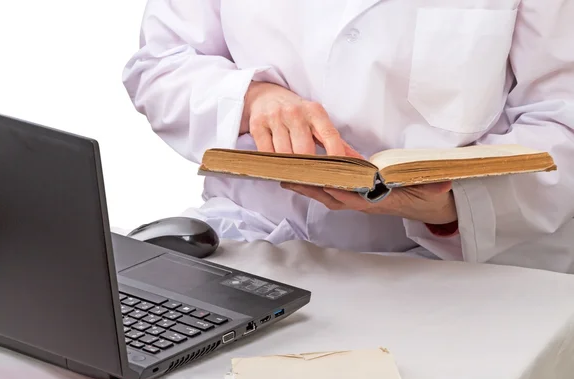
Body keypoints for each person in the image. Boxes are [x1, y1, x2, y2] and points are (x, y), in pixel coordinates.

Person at [122, 1, 574, 273]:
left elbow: (562, 118)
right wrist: (252, 99)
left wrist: (450, 208)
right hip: (255, 234)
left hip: (450, 263)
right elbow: (159, 65)